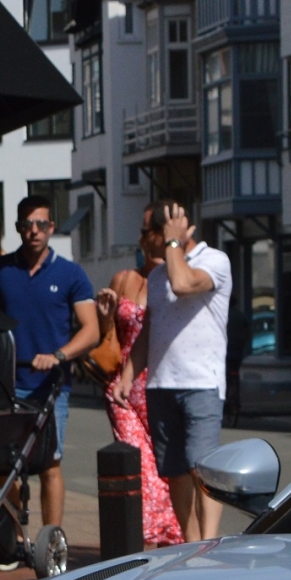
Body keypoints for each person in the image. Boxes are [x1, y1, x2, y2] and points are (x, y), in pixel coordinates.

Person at [0, 194, 102, 548]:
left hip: (51, 387)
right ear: (18, 228)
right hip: (8, 384)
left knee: (50, 464)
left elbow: (91, 330)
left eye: (41, 224)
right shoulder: (0, 270)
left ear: (52, 228)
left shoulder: (70, 273)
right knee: (4, 468)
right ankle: (14, 540)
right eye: (26, 225)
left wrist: (58, 355)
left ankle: (52, 542)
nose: (33, 231)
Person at [143, 200, 233, 542]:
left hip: (202, 383)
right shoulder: (155, 276)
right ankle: (191, 544)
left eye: (147, 231)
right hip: (161, 383)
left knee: (203, 469)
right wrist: (127, 376)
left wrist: (173, 243)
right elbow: (150, 328)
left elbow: (183, 284)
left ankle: (209, 542)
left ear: (168, 230)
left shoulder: (214, 261)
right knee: (177, 473)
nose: (142, 240)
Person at [108, 223, 182, 547]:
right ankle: (149, 539)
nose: (148, 236)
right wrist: (103, 315)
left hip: (163, 385)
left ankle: (174, 542)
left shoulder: (175, 280)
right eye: (144, 229)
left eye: (154, 228)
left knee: (170, 474)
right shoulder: (124, 279)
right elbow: (106, 337)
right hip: (125, 389)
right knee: (143, 471)